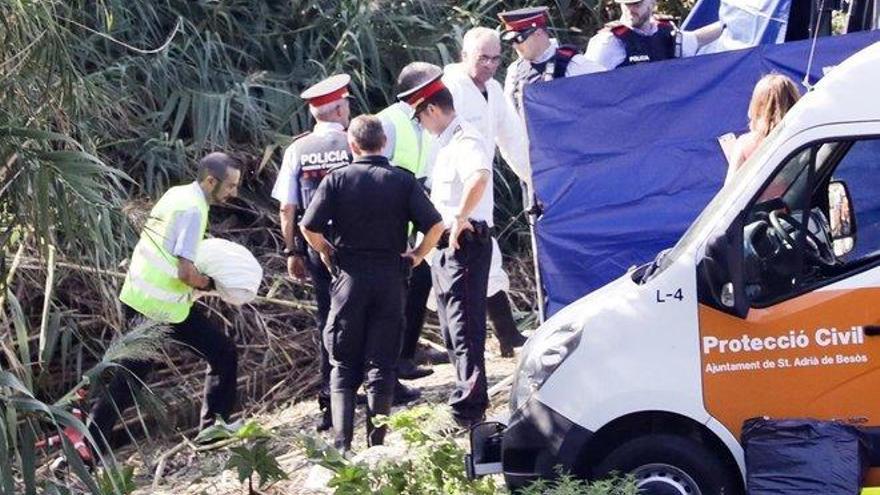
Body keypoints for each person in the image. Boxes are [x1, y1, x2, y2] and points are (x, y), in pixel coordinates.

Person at [300, 115, 444, 452]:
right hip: (391, 279)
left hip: (349, 278)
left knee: (344, 363)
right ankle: (376, 446)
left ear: (352, 145)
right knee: (382, 363)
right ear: (385, 144)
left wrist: (327, 252)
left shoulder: (337, 180)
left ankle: (341, 445)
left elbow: (309, 227)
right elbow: (435, 225)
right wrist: (418, 255)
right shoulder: (402, 181)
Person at [89, 152, 241, 451]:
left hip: (138, 296)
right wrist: (211, 284)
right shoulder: (195, 210)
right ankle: (215, 431)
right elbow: (185, 272)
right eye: (231, 185)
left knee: (130, 378)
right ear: (211, 181)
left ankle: (89, 445)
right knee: (223, 353)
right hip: (161, 307)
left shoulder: (177, 194)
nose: (234, 192)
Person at [399, 68, 494, 427]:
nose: (422, 125)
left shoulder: (465, 140)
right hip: (445, 248)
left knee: (465, 329)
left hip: (466, 244)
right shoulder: (445, 143)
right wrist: (422, 252)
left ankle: (469, 410)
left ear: (432, 110)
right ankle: (466, 400)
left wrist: (462, 218)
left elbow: (479, 177)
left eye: (421, 117)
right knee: (452, 330)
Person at [272, 74, 352, 432]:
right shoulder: (356, 141)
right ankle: (383, 387)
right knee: (372, 312)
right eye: (346, 103)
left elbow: (287, 208)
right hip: (359, 242)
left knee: (328, 321)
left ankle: (330, 401)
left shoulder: (297, 150)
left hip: (319, 246)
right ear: (338, 108)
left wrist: (293, 251)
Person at [443, 27, 529, 357]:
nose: (490, 65)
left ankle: (506, 336)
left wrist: (534, 181)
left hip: (481, 185)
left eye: (495, 58)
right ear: (465, 55)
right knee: (448, 267)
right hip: (451, 189)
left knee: (486, 257)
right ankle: (460, 345)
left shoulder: (493, 90)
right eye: (483, 58)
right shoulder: (450, 88)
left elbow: (513, 141)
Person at [378, 63, 441, 382]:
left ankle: (406, 352)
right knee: (407, 285)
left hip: (416, 206)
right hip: (392, 217)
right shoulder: (389, 122)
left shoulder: (427, 117)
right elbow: (376, 169)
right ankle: (398, 359)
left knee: (419, 281)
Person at [499, 6, 605, 116]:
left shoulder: (573, 64)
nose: (515, 46)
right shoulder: (515, 70)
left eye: (519, 39)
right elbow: (509, 114)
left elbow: (610, 89)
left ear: (538, 33)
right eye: (511, 40)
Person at [585, 0, 724, 70]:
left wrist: (729, 23)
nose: (630, 10)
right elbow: (582, 84)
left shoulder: (666, 34)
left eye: (637, 4)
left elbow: (697, 38)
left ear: (652, 2)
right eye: (625, 4)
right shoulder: (608, 42)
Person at [725, 73, 801, 183]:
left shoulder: (744, 144)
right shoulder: (803, 137)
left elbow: (730, 190)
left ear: (757, 106)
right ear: (794, 99)